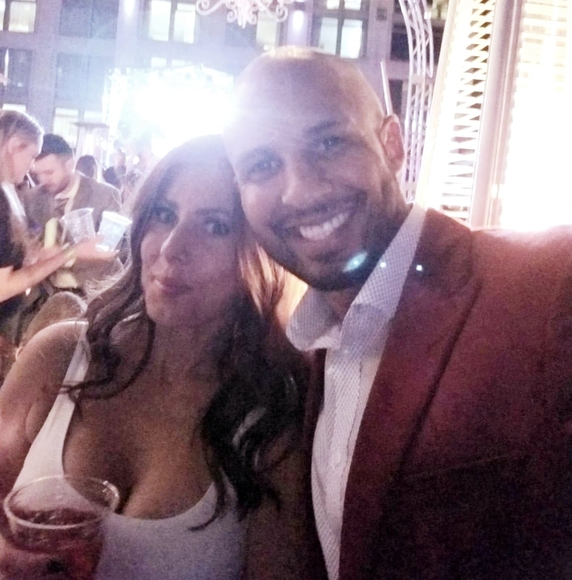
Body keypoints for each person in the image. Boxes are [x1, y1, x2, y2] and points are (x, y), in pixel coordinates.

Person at [223, 47, 572, 580]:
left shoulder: (549, 285)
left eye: (329, 143)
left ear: (392, 143)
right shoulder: (305, 353)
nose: (300, 190)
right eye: (262, 165)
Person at [0, 135, 313, 580]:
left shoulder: (271, 425)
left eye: (215, 226)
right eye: (164, 215)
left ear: (264, 254)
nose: (170, 248)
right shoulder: (58, 356)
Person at [0, 111, 102, 349]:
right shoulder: (6, 197)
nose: (31, 167)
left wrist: (34, 254)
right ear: (14, 146)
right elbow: (3, 287)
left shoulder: (8, 189)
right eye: (32, 156)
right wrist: (69, 254)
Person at [22, 134, 122, 293]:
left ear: (70, 164)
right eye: (36, 174)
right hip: (44, 292)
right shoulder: (31, 198)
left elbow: (115, 250)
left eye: (49, 172)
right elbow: (25, 244)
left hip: (92, 290)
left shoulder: (105, 195)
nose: (42, 180)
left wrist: (64, 255)